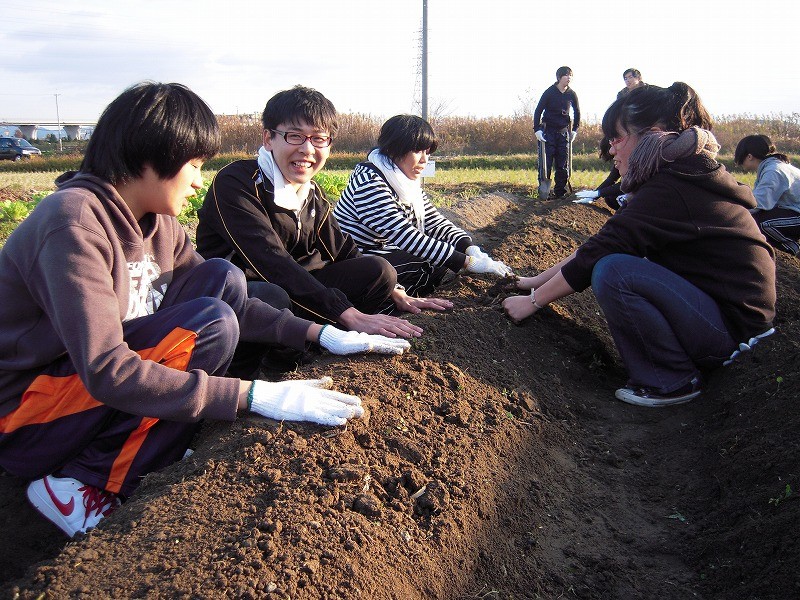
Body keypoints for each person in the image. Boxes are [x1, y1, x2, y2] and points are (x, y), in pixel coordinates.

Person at [0, 82, 410, 538]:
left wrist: (322, 335)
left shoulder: (159, 225)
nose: (198, 181)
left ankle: (151, 449)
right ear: (152, 156)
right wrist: (251, 395)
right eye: (194, 165)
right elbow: (105, 368)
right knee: (211, 325)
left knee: (222, 278)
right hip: (28, 416)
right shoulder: (74, 224)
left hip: (82, 395)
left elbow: (235, 298)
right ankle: (79, 481)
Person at [504, 82, 776, 407]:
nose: (611, 149)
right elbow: (604, 241)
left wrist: (532, 302)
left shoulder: (671, 186)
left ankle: (671, 381)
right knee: (615, 260)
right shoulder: (681, 173)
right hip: (727, 318)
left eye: (617, 138)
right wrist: (534, 282)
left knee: (614, 271)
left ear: (653, 134)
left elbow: (602, 251)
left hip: (731, 333)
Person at [197, 86, 446, 343]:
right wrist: (346, 313)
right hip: (246, 295)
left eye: (318, 139)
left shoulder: (311, 191)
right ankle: (279, 362)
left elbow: (341, 248)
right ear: (269, 138)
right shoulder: (237, 183)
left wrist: (396, 291)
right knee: (272, 296)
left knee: (379, 270)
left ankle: (324, 340)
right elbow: (270, 261)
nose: (307, 150)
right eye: (295, 136)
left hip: (300, 287)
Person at [333, 115, 512, 297]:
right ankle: (388, 304)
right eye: (418, 151)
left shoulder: (404, 182)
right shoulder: (370, 182)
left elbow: (433, 221)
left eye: (427, 152)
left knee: (437, 259)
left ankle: (408, 298)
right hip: (359, 262)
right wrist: (466, 262)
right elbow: (402, 233)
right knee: (428, 262)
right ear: (395, 149)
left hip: (384, 255)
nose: (424, 160)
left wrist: (468, 247)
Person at [734, 134, 800, 256]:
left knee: (760, 223)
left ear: (749, 156)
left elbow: (758, 203)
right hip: (795, 212)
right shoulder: (774, 167)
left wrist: (732, 214)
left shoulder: (773, 171)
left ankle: (795, 250)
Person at [534, 66, 581, 199]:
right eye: (566, 75)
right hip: (548, 132)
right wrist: (537, 130)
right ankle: (545, 192)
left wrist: (575, 130)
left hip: (563, 132)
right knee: (546, 163)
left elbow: (577, 112)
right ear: (559, 77)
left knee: (562, 164)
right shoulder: (549, 92)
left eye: (571, 76)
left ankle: (560, 193)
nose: (569, 78)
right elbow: (538, 111)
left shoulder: (571, 94)